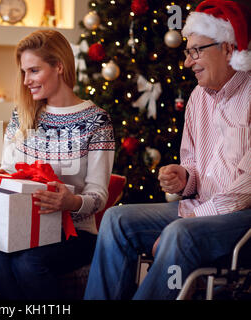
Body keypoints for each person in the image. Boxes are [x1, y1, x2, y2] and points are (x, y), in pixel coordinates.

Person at [84, 0, 251, 300]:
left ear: (228, 49)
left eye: (196, 51)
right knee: (115, 219)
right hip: (203, 209)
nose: (188, 62)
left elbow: (244, 191)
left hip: (242, 218)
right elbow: (195, 166)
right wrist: (185, 178)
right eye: (188, 52)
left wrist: (191, 219)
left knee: (179, 233)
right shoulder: (198, 97)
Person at [0, 29, 115, 300]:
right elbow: (7, 170)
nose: (27, 80)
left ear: (59, 67)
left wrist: (71, 203)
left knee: (27, 263)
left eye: (34, 70)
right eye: (23, 72)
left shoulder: (97, 121)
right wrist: (0, 182)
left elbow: (99, 195)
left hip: (76, 234)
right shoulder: (22, 115)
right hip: (23, 227)